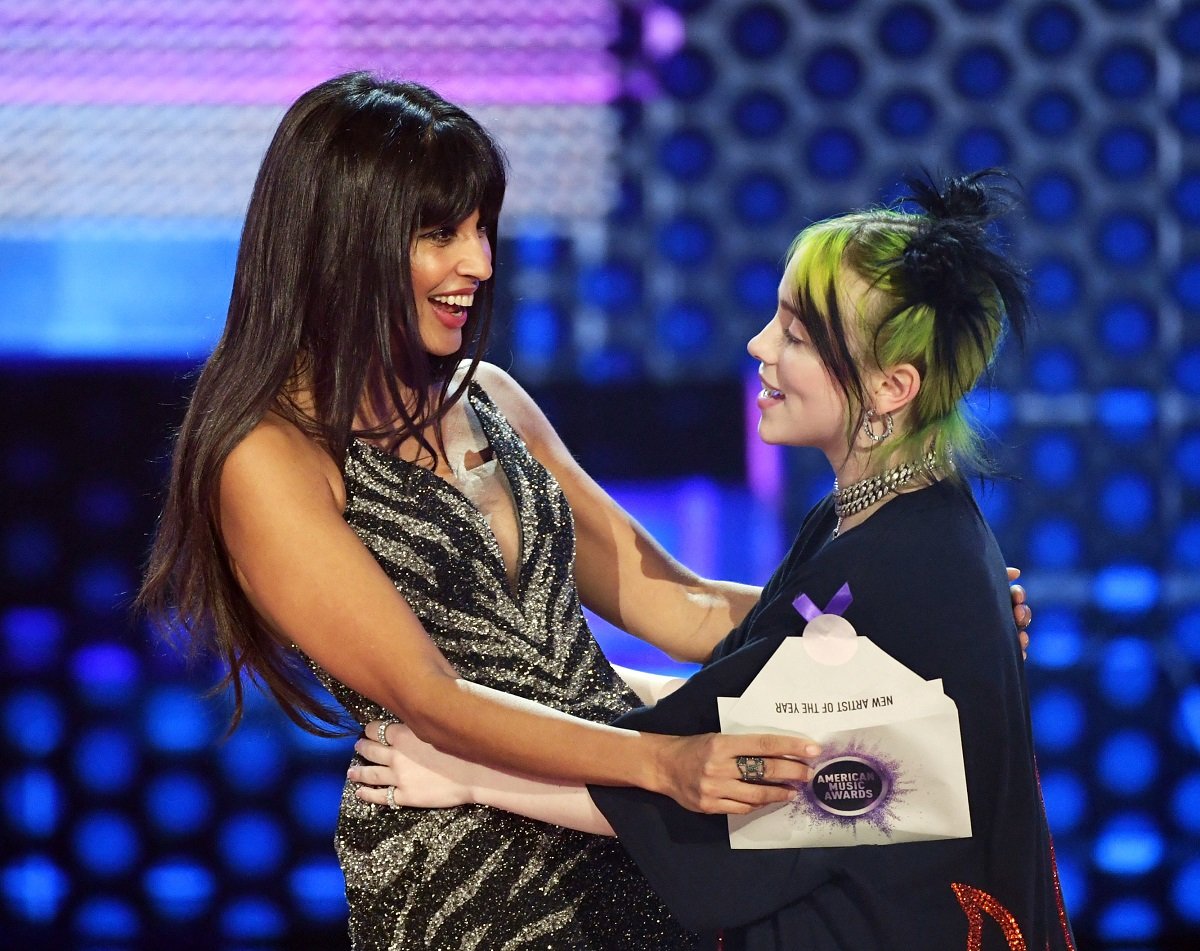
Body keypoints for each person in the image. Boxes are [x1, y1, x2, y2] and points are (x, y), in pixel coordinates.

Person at [137, 70, 854, 950]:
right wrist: (663, 763)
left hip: (625, 831)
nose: (478, 263)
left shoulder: (494, 399)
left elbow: (680, 601)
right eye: (441, 233)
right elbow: (432, 697)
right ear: (342, 241)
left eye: (482, 228)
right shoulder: (268, 457)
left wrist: (891, 618)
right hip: (471, 875)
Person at [351, 171, 1072, 950]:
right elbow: (739, 702)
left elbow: (722, 783)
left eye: (796, 336)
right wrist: (534, 693)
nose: (760, 346)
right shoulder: (884, 524)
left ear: (892, 386)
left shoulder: (900, 568)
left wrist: (469, 776)